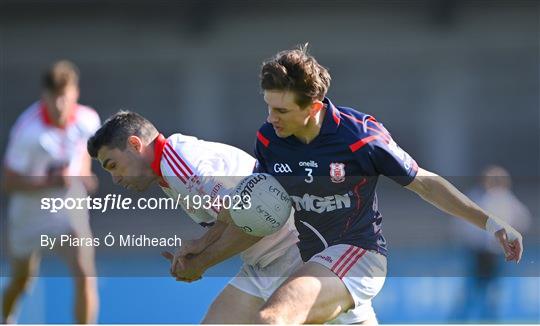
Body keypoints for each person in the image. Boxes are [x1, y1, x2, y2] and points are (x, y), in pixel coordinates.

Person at [251, 45, 524, 324]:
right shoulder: (269, 139)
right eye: (269, 107)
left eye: (281, 110)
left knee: (272, 318)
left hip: (358, 256)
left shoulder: (361, 137)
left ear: (314, 107)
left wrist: (492, 223)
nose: (271, 118)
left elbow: (426, 184)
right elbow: (262, 203)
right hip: (311, 262)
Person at [86, 111, 301, 323]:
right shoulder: (169, 165)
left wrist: (201, 262)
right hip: (264, 263)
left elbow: (260, 218)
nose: (115, 179)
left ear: (135, 145)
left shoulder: (182, 165)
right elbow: (236, 215)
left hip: (292, 255)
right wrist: (202, 244)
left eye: (113, 165)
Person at [2, 60, 101, 323]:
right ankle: (6, 318)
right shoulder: (27, 131)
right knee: (22, 281)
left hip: (68, 211)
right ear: (43, 96)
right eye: (53, 98)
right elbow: (8, 183)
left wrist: (82, 173)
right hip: (29, 216)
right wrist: (50, 182)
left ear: (75, 94)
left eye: (64, 98)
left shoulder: (88, 119)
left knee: (85, 274)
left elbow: (83, 151)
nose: (59, 106)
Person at [451, 165, 531, 322]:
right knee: (471, 290)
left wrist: (511, 237)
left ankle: (489, 321)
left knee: (494, 292)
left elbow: (523, 219)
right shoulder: (474, 197)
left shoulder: (506, 199)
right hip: (477, 253)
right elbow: (459, 224)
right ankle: (459, 320)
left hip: (497, 254)